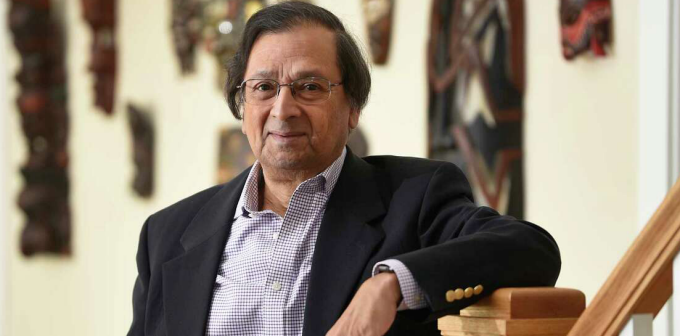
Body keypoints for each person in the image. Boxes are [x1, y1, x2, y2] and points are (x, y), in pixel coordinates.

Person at [127, 2, 561, 335]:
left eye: (310, 87)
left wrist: (393, 283)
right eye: (263, 87)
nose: (283, 109)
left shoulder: (414, 197)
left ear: (352, 107)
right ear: (243, 108)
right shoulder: (167, 235)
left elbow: (530, 248)